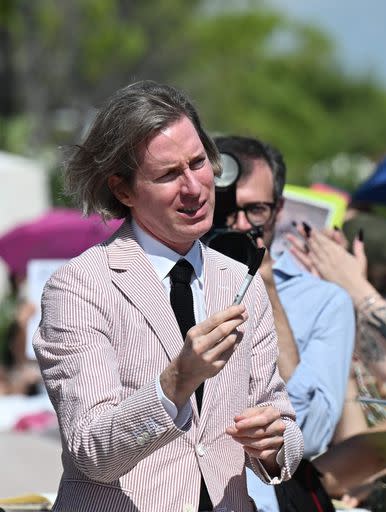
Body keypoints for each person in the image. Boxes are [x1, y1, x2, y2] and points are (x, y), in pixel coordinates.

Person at [33, 81, 302, 512]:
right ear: (122, 190)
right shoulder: (80, 286)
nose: (194, 188)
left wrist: (272, 443)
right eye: (168, 175)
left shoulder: (241, 282)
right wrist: (177, 381)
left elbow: (280, 425)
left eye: (198, 163)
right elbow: (91, 450)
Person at [214, 135, 355, 512]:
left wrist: (265, 289)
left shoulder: (325, 301)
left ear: (278, 209)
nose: (240, 223)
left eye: (255, 209)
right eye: (226, 207)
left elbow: (312, 434)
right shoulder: (171, 279)